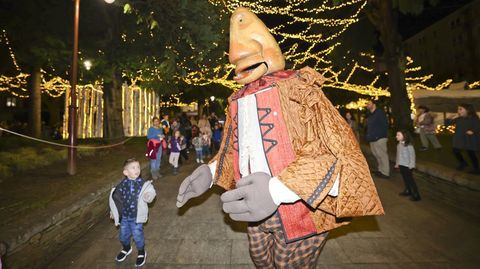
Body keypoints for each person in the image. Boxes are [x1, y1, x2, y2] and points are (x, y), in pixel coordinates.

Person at [176, 7, 383, 269]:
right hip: (254, 206)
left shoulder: (301, 91)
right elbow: (234, 149)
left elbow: (331, 151)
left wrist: (275, 190)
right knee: (261, 259)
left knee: (288, 265)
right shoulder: (238, 99)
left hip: (301, 208)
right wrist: (210, 171)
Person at [109, 158, 156, 267]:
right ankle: (126, 248)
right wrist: (113, 211)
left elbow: (151, 191)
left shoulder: (142, 183)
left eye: (138, 167)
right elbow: (116, 199)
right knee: (123, 236)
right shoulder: (122, 185)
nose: (137, 169)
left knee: (137, 236)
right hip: (125, 216)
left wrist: (148, 196)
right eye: (133, 168)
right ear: (126, 172)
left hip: (136, 217)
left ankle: (141, 252)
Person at [445, 104, 480, 174]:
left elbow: (478, 126)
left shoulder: (474, 118)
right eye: (458, 109)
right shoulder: (459, 118)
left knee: (471, 153)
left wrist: (473, 131)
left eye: (460, 109)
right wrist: (449, 118)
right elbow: (448, 124)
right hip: (459, 138)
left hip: (469, 139)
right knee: (455, 151)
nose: (458, 111)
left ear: (468, 110)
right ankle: (463, 163)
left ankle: (476, 168)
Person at [366, 100, 390, 178]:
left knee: (382, 155)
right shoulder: (371, 114)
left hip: (379, 138)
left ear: (374, 104)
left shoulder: (379, 113)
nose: (367, 105)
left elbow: (385, 124)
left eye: (369, 104)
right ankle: (380, 170)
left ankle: (386, 172)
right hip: (372, 138)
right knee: (377, 155)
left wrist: (379, 135)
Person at [395, 130, 421, 201]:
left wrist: (411, 165)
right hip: (401, 165)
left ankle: (416, 195)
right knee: (405, 179)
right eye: (396, 135)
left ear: (404, 136)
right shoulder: (399, 145)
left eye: (398, 135)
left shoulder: (409, 146)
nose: (396, 136)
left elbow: (412, 156)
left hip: (408, 166)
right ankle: (408, 190)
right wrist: (397, 164)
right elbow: (398, 155)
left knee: (410, 180)